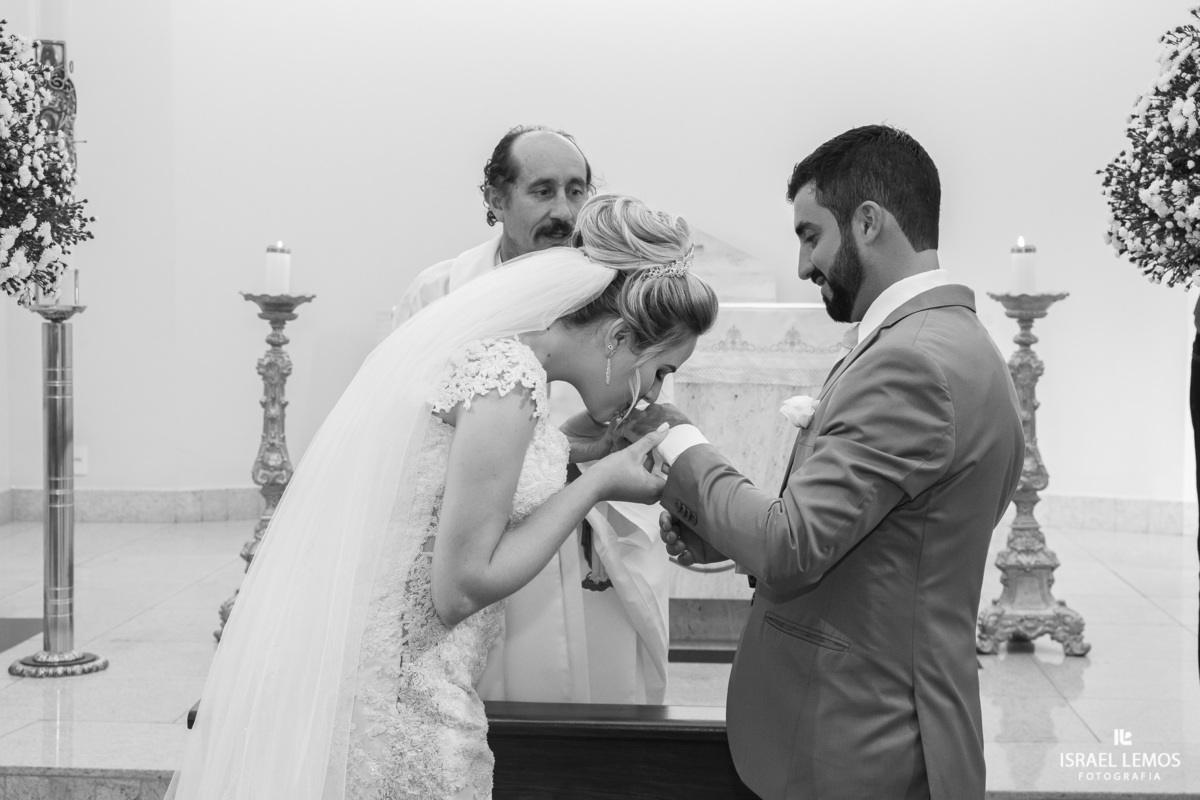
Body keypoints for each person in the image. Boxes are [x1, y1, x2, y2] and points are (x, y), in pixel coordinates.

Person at [166, 194, 718, 800]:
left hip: (407, 672)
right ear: (618, 337)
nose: (656, 391)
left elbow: (463, 482)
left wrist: (574, 453)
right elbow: (459, 589)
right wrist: (599, 483)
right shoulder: (510, 380)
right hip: (403, 694)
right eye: (663, 369)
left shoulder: (503, 357)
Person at [617, 125, 1024, 799]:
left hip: (859, 738)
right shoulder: (964, 343)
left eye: (810, 235)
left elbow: (790, 546)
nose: (803, 265)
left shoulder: (910, 359)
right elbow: (905, 538)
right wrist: (725, 534)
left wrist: (674, 438)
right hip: (901, 718)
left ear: (867, 223)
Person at [395, 125, 675, 705]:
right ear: (496, 200)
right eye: (542, 191)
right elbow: (411, 437)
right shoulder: (442, 292)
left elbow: (630, 409)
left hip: (584, 551)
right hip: (477, 550)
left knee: (587, 721)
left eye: (577, 190)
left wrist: (592, 478)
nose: (564, 211)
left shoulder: (609, 290)